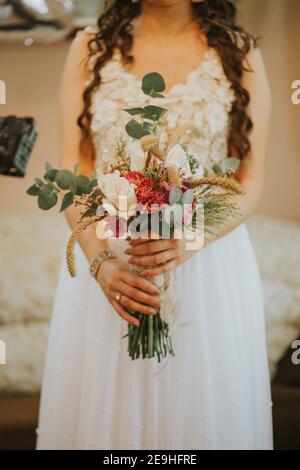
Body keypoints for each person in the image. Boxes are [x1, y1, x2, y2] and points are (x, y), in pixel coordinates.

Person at [37, 0, 273, 450]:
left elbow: (251, 181)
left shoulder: (240, 53)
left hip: (209, 267)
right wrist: (101, 262)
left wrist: (191, 239)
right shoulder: (89, 47)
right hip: (109, 261)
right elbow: (75, 167)